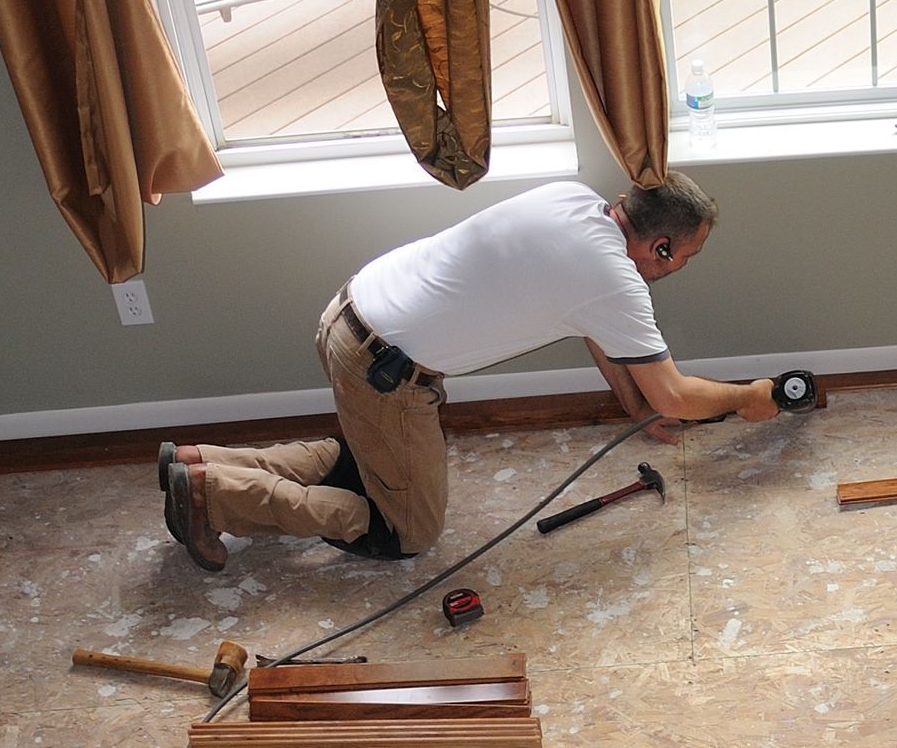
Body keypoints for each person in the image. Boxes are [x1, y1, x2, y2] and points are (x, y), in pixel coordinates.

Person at [157, 173, 777, 568]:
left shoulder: (570, 199)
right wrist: (748, 396)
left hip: (351, 314)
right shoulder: (614, 279)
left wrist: (628, 400)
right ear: (659, 248)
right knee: (402, 531)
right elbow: (675, 395)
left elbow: (599, 327)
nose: (684, 267)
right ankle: (216, 497)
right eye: (685, 256)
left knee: (365, 462)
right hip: (384, 372)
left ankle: (197, 463)